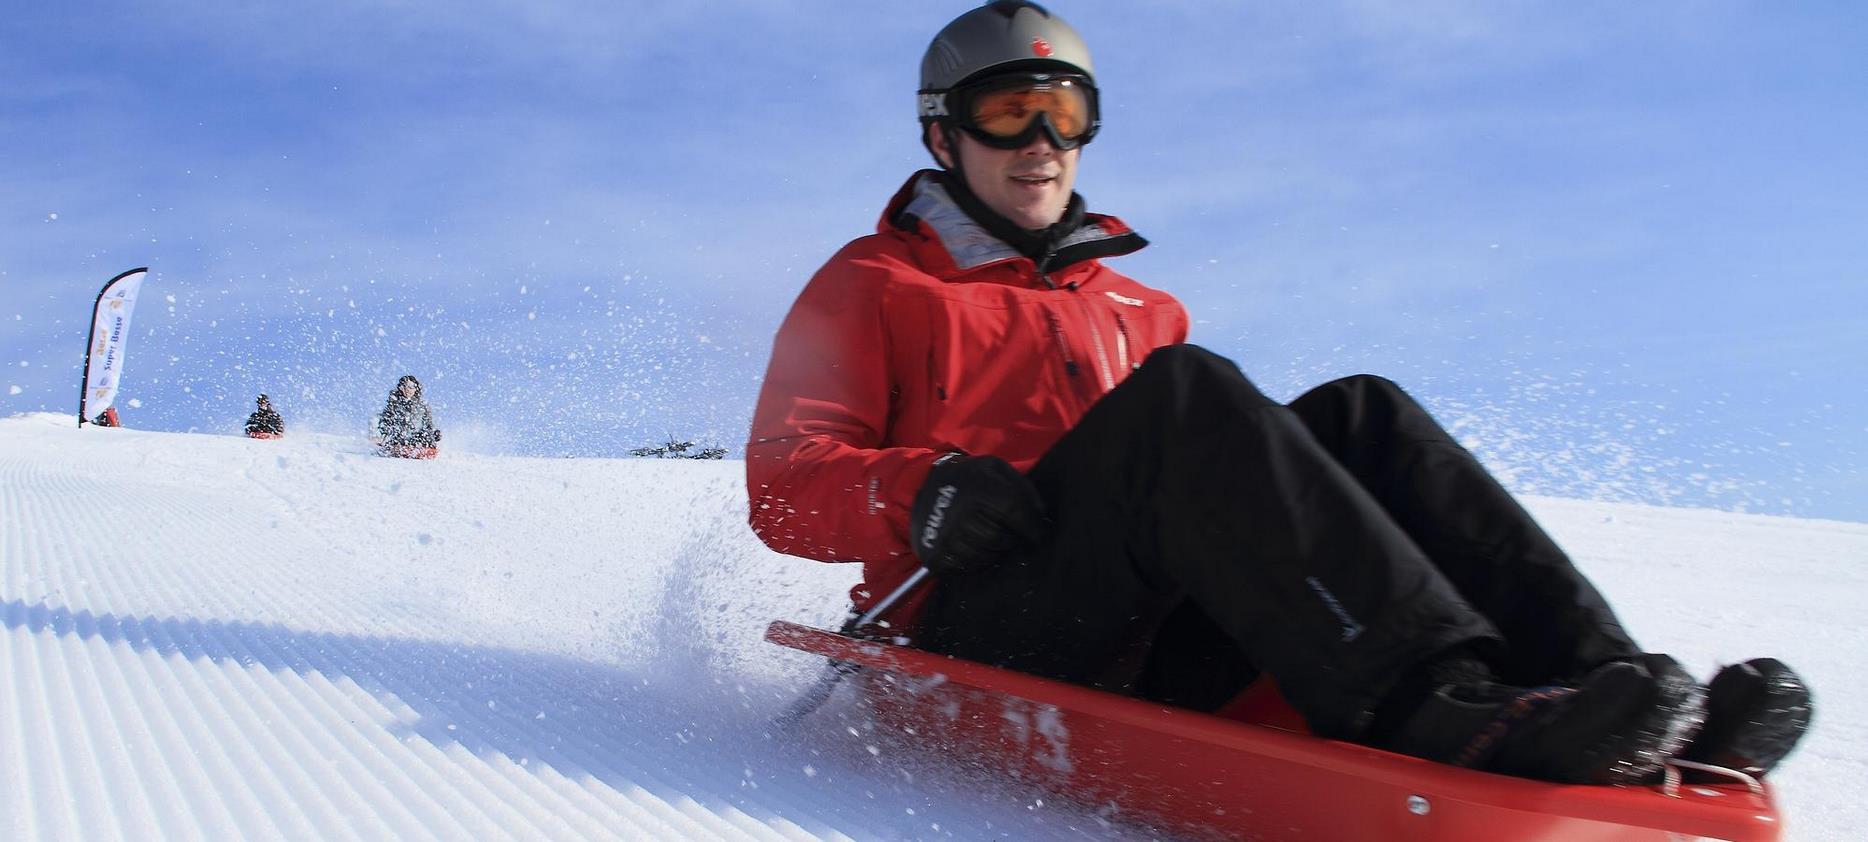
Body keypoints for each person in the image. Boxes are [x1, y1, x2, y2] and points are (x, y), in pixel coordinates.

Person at [746, 0, 1811, 786]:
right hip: (979, 627)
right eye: (1007, 112)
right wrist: (918, 489)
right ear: (943, 133)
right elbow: (784, 486)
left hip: (1151, 622)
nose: (1039, 144)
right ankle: (1432, 705)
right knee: (1185, 396)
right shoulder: (874, 283)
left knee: (1361, 410)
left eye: (1063, 113)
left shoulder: (1135, 303)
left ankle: (1604, 688)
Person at [375, 374, 441, 455]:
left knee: (426, 436)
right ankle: (400, 448)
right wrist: (389, 430)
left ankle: (420, 449)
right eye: (405, 387)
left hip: (415, 438)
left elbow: (428, 425)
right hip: (398, 437)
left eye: (411, 387)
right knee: (399, 437)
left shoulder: (422, 407)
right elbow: (385, 422)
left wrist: (434, 434)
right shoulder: (393, 404)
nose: (408, 390)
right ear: (400, 388)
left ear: (416, 389)